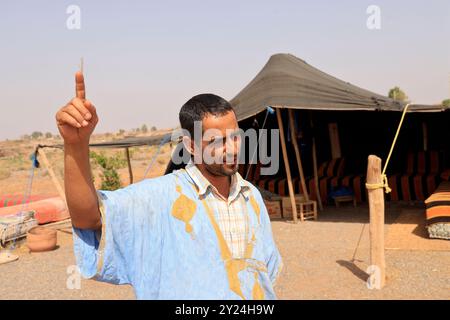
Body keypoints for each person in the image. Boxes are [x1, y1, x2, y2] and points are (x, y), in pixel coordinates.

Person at [55, 72, 283, 299]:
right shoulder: (160, 197)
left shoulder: (250, 196)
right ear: (191, 146)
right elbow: (88, 218)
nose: (232, 149)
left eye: (235, 137)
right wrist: (75, 145)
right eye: (217, 141)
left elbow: (264, 270)